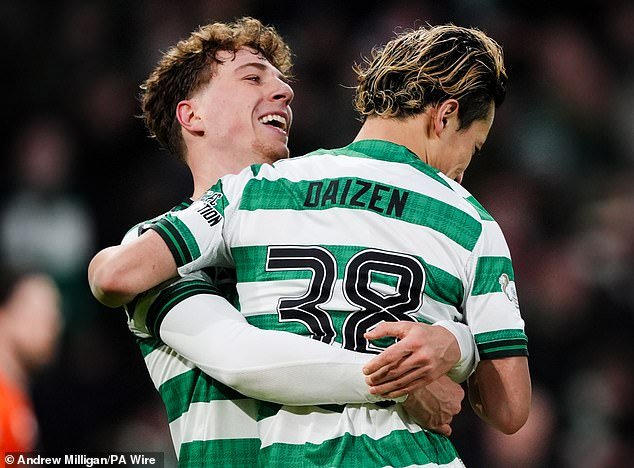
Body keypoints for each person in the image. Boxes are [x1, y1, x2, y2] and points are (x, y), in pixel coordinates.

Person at [90, 22, 531, 466]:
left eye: (282, 81)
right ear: (192, 116)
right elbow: (240, 354)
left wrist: (454, 340)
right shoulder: (153, 249)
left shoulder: (305, 205)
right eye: (253, 77)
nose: (285, 92)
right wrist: (404, 381)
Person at [0, 266, 62, 452]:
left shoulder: (17, 402)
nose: (54, 326)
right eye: (40, 313)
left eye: (55, 315)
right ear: (4, 316)